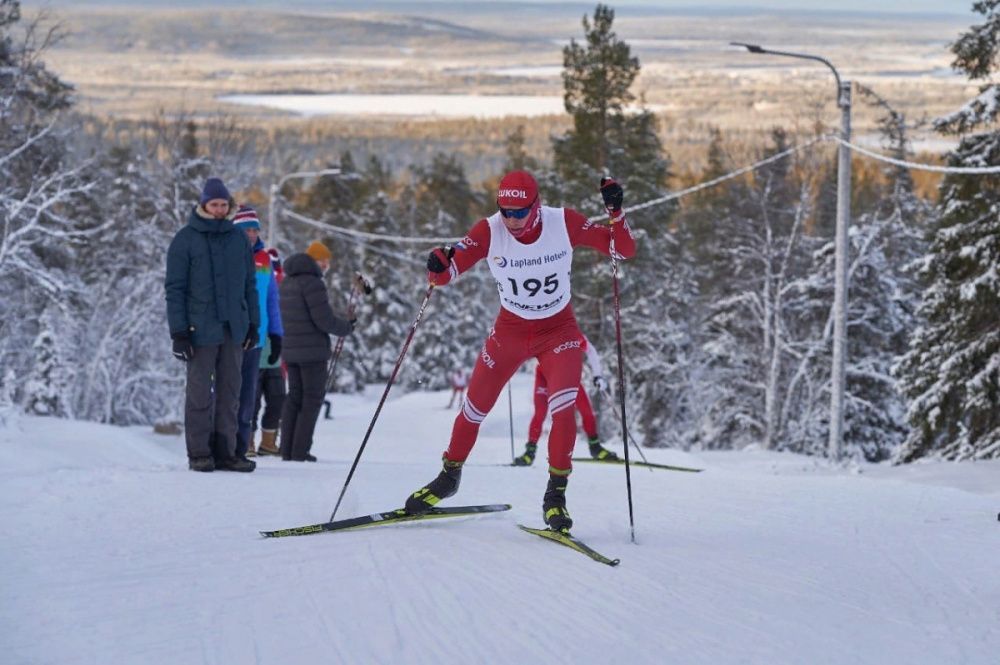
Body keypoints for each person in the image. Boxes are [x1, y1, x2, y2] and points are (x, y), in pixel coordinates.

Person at [404, 171, 635, 533]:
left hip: (559, 330)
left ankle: (555, 496)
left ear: (536, 205)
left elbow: (623, 249)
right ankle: (449, 477)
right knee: (474, 407)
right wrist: (437, 264)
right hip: (511, 330)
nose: (511, 220)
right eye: (505, 211)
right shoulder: (488, 230)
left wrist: (616, 214)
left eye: (520, 212)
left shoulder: (564, 222)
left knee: (562, 411)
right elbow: (448, 273)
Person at [165, 177, 259, 473]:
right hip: (199, 331)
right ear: (204, 205)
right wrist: (179, 332)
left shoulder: (237, 240)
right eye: (214, 204)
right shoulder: (185, 239)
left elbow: (249, 286)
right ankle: (200, 453)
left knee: (231, 392)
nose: (219, 210)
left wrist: (253, 325)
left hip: (233, 328)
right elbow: (175, 289)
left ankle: (226, 453)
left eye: (223, 205)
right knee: (199, 394)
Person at [279, 240, 354, 462]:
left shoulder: (287, 281)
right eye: (325, 260)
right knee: (311, 400)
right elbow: (323, 320)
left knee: (294, 397)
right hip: (312, 352)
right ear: (317, 260)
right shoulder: (312, 283)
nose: (326, 265)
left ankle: (288, 449)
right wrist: (346, 327)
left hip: (291, 349)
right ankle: (300, 451)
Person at [514, 333, 618, 466]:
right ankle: (529, 453)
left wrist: (598, 376)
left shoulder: (575, 334)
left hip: (567, 376)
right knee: (540, 413)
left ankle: (595, 448)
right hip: (544, 376)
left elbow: (591, 351)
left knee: (587, 411)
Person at [232, 205, 283, 460]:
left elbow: (271, 300)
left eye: (254, 230)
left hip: (259, 337)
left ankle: (245, 444)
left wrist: (277, 333)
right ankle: (231, 442)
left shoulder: (263, 259)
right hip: (232, 336)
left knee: (250, 394)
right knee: (230, 392)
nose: (251, 234)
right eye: (246, 230)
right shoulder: (228, 254)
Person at [254, 246, 286, 457]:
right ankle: (246, 440)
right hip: (254, 351)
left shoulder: (281, 289)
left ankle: (267, 443)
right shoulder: (258, 284)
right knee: (251, 401)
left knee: (277, 399)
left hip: (275, 355)